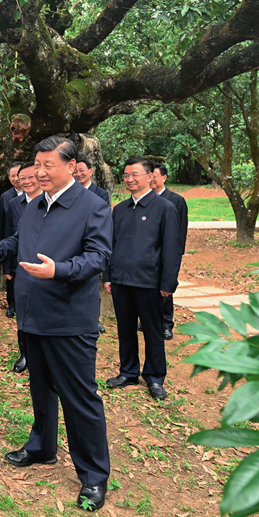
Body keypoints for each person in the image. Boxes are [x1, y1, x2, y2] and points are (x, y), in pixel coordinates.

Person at [0, 136, 112, 511]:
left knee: (80, 398)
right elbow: (19, 241)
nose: (39, 171)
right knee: (40, 389)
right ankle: (42, 447)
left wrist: (59, 271)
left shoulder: (92, 207)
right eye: (37, 164)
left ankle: (94, 476)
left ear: (70, 166)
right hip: (32, 316)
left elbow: (98, 258)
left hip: (69, 320)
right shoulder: (35, 205)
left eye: (48, 164)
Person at [104, 157, 182, 400]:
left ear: (150, 176)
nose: (129, 179)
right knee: (125, 330)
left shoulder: (165, 208)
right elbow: (111, 245)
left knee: (153, 332)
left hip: (149, 283)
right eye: (126, 175)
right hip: (121, 281)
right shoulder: (120, 210)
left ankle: (155, 377)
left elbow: (172, 249)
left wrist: (168, 284)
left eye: (134, 174)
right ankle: (128, 372)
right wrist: (109, 276)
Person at [3, 161, 41, 373]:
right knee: (23, 315)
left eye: (29, 177)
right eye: (21, 178)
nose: (25, 181)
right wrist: (7, 266)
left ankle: (42, 355)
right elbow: (10, 236)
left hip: (47, 270)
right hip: (21, 267)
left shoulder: (51, 202)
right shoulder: (14, 204)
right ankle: (25, 353)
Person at [151, 162, 189, 340]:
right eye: (149, 175)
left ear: (164, 177)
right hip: (149, 252)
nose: (151, 179)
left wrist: (176, 253)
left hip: (169, 251)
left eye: (155, 176)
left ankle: (167, 323)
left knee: (166, 287)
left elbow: (181, 230)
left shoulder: (176, 200)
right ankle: (149, 320)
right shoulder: (145, 199)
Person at [74, 158, 111, 335]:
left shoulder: (100, 194)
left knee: (92, 283)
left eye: (82, 170)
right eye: (75, 171)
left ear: (91, 171)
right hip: (72, 244)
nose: (78, 174)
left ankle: (93, 319)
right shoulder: (68, 193)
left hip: (90, 244)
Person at [0, 161, 24, 318]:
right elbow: (3, 222)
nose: (16, 178)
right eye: (12, 175)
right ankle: (11, 304)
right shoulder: (6, 196)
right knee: (11, 275)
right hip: (11, 239)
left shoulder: (37, 194)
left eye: (18, 175)